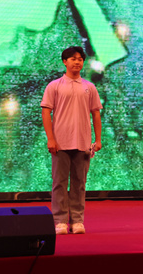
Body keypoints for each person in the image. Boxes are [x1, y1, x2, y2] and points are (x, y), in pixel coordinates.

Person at [41, 46, 103, 235]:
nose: (77, 62)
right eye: (73, 58)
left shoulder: (89, 87)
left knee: (79, 183)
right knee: (59, 183)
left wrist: (98, 139)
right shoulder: (54, 86)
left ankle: (77, 220)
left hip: (83, 142)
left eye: (80, 59)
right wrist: (51, 139)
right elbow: (46, 112)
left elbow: (96, 113)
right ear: (64, 62)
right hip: (60, 143)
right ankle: (59, 221)